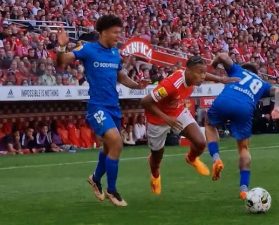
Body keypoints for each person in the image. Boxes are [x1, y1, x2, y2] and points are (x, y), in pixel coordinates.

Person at [56, 14, 148, 207]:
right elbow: (62, 61)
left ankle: (95, 178)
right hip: (97, 106)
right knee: (117, 142)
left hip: (114, 107)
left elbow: (121, 76)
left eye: (119, 32)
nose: (118, 36)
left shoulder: (115, 53)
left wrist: (137, 85)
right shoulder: (88, 49)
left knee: (109, 148)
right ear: (104, 32)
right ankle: (112, 190)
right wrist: (62, 46)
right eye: (115, 32)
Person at [141, 55, 239, 195]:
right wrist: (166, 118)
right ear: (188, 71)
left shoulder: (193, 77)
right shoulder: (171, 84)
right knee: (157, 158)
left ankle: (191, 159)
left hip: (178, 111)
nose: (203, 76)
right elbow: (145, 102)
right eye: (200, 72)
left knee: (200, 142)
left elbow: (204, 75)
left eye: (204, 72)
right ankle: (155, 176)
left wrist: (222, 79)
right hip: (158, 119)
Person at [204, 53, 279, 200]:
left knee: (209, 125)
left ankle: (216, 158)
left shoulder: (237, 70)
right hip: (245, 109)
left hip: (226, 100)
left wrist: (214, 65)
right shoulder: (262, 83)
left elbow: (222, 55)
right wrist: (276, 107)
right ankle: (243, 189)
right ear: (256, 73)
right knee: (243, 148)